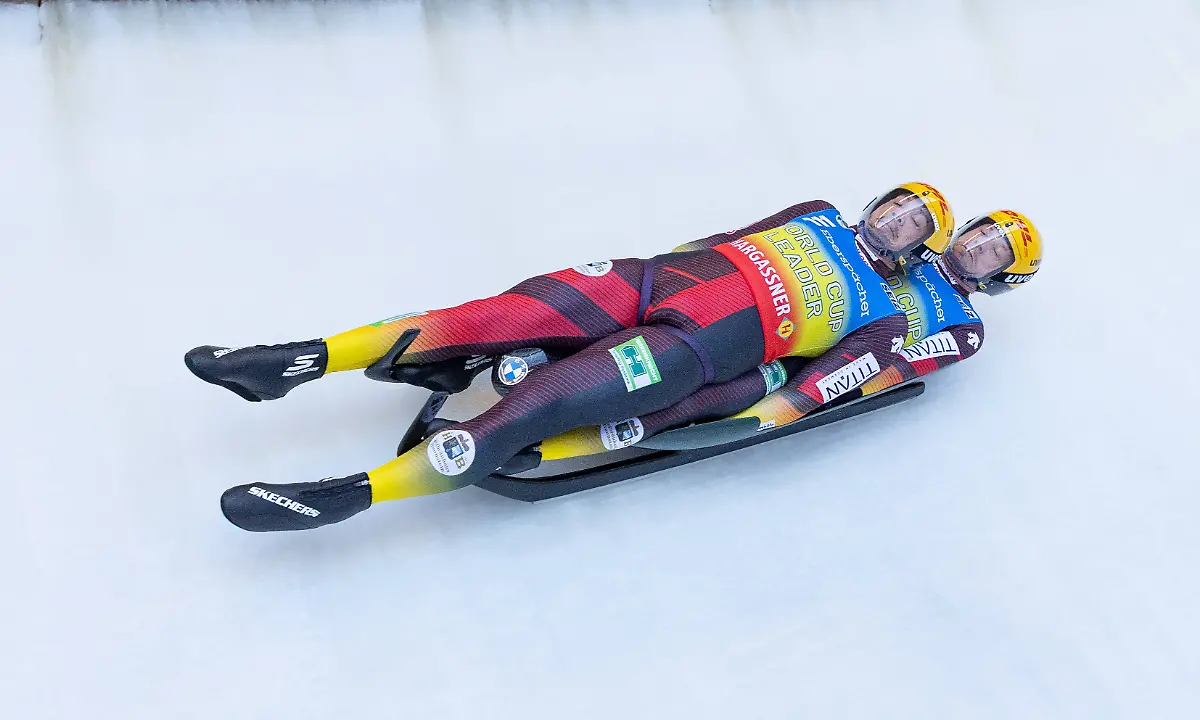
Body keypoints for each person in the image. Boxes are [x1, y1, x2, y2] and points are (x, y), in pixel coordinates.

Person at [189, 183, 957, 532]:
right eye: (896, 207)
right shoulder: (816, 212)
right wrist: (665, 263)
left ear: (916, 249)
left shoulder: (886, 317)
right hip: (647, 281)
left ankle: (352, 494)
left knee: (543, 402)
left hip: (688, 350)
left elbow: (810, 389)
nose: (895, 222)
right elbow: (728, 239)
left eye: (911, 225)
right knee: (492, 314)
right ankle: (294, 359)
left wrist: (730, 415)